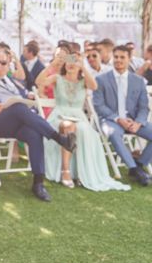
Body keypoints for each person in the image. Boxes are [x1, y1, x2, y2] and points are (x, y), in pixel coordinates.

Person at [0, 50, 77, 201]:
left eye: (3, 63)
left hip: (18, 123)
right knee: (17, 106)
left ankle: (38, 183)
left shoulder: (14, 82)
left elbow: (26, 101)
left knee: (34, 133)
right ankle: (60, 139)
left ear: (8, 65)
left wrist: (30, 101)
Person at [37, 52, 130, 192]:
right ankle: (66, 171)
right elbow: (39, 82)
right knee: (67, 126)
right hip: (59, 116)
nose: (71, 64)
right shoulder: (57, 78)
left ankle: (80, 172)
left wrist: (84, 68)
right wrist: (52, 64)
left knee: (81, 130)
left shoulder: (83, 82)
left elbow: (94, 86)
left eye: (75, 62)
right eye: (69, 61)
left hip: (79, 117)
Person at [94, 45, 152, 186]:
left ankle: (139, 164)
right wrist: (118, 119)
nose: (118, 60)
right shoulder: (101, 79)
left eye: (122, 57)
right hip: (111, 120)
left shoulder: (138, 81)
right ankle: (134, 168)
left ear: (129, 59)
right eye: (116, 57)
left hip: (133, 121)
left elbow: (144, 107)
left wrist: (138, 122)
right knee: (114, 133)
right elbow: (99, 106)